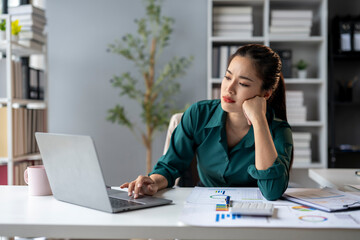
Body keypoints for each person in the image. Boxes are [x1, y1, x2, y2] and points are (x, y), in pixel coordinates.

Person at [120, 44, 293, 201]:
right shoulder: (199, 114)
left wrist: (258, 120)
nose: (229, 88)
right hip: (205, 205)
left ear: (265, 94)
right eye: (227, 77)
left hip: (252, 212)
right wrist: (153, 182)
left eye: (242, 83)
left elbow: (271, 191)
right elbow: (170, 165)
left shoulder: (278, 130)